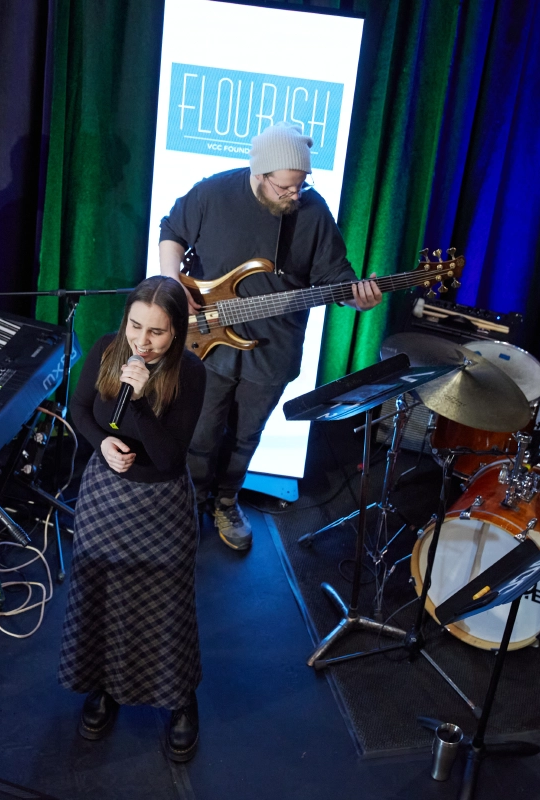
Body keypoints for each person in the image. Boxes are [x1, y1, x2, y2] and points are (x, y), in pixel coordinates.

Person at [159, 123, 381, 550]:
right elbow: (172, 231)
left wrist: (360, 300)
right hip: (207, 338)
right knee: (201, 431)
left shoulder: (312, 211)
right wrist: (171, 283)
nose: (294, 195)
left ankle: (225, 500)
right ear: (258, 174)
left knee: (246, 434)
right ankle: (188, 503)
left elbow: (337, 278)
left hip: (275, 347)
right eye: (285, 188)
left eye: (300, 186)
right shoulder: (212, 194)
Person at [57, 276, 208, 762]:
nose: (141, 342)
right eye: (135, 326)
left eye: (157, 333)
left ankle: (180, 701)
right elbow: (79, 408)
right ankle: (103, 687)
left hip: (158, 505)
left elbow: (168, 458)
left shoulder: (191, 374)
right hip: (105, 496)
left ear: (177, 333)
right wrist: (100, 443)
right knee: (100, 593)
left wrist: (140, 402)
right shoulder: (107, 350)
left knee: (164, 608)